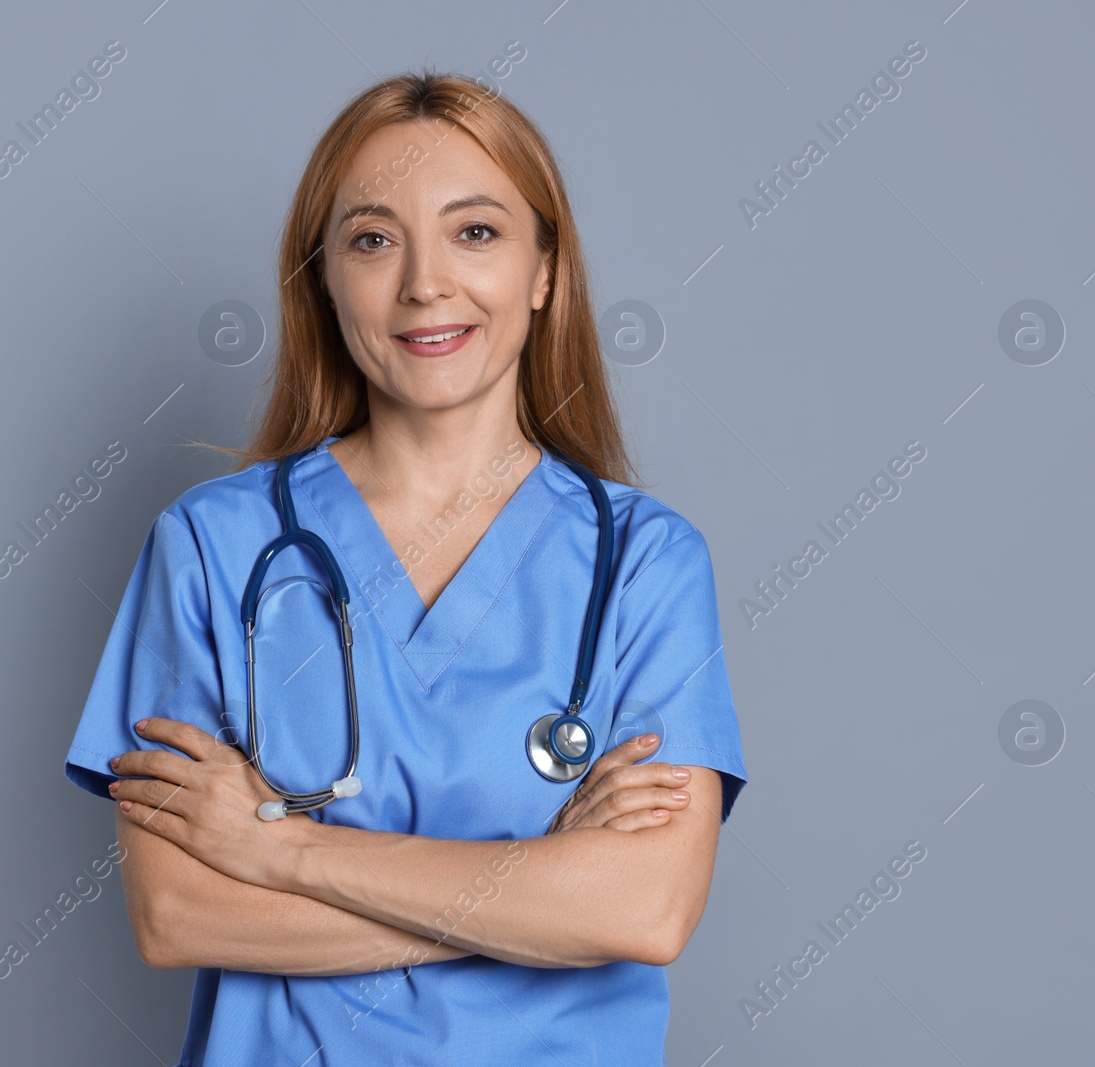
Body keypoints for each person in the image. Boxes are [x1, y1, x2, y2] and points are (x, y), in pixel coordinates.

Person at [63, 69, 747, 1066]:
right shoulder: (212, 546)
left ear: (544, 270)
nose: (425, 283)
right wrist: (541, 886)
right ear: (325, 279)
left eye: (475, 232)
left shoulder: (642, 562)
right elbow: (177, 910)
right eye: (373, 240)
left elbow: (645, 908)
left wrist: (285, 851)